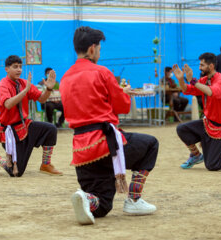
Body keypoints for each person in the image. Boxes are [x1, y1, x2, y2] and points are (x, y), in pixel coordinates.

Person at [60, 26, 158, 225]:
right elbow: (122, 106)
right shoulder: (102, 72)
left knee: (103, 205)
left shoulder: (65, 78)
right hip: (106, 144)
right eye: (99, 49)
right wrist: (125, 93)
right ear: (92, 49)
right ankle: (134, 199)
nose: (99, 53)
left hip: (81, 150)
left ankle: (88, 198)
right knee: (151, 144)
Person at [172, 52, 221, 172]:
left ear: (211, 66)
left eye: (202, 65)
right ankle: (196, 155)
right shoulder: (204, 80)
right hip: (206, 123)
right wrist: (181, 80)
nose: (199, 68)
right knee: (181, 129)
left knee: (212, 165)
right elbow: (188, 90)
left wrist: (193, 81)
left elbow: (213, 92)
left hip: (218, 128)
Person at [0, 55, 62, 178]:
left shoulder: (23, 83)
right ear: (7, 69)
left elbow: (42, 99)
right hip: (10, 133)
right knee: (16, 173)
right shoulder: (3, 85)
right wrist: (25, 91)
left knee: (51, 129)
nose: (19, 70)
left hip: (25, 126)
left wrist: (49, 88)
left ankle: (45, 164)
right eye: (15, 67)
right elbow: (8, 104)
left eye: (20, 67)